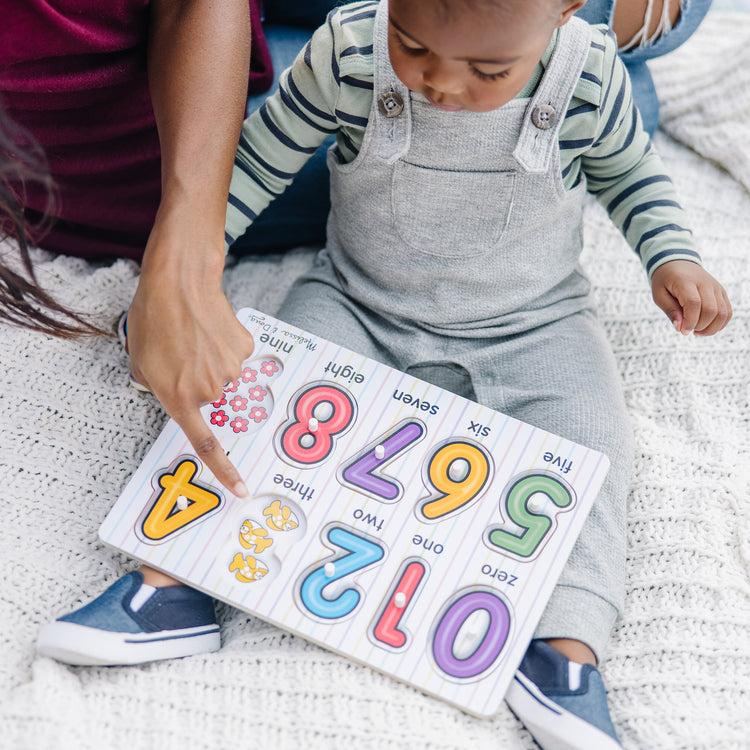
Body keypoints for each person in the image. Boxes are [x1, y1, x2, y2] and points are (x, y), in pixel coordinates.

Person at [36, 0, 732, 748]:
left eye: (488, 70)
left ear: (566, 12)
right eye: (413, 43)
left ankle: (564, 652)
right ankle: (170, 584)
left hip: (535, 325)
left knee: (593, 447)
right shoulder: (350, 51)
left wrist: (672, 256)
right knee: (264, 394)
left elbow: (631, 175)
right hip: (358, 300)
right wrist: (177, 286)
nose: (438, 82)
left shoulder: (589, 73)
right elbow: (257, 160)